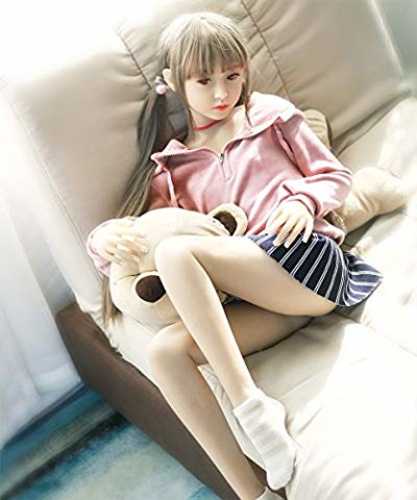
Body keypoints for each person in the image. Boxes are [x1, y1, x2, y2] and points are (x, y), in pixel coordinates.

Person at [86, 11, 383, 500]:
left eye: (232, 76)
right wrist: (103, 241)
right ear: (173, 83)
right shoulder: (171, 169)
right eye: (204, 81)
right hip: (262, 305)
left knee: (179, 254)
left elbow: (333, 176)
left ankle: (250, 406)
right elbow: (147, 245)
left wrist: (301, 201)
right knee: (165, 353)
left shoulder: (269, 116)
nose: (222, 93)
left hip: (307, 264)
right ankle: (252, 493)